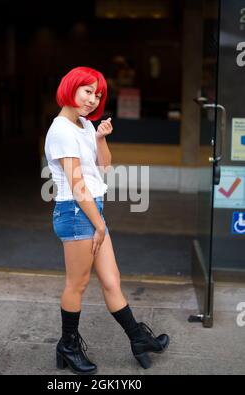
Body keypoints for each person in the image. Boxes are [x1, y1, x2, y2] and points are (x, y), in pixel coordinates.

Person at [44, 66, 169, 375]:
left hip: (91, 210)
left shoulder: (85, 125)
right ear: (70, 87)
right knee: (78, 284)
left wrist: (99, 137)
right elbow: (75, 183)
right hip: (75, 213)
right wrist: (98, 223)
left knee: (112, 281)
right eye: (87, 91)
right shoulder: (60, 129)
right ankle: (68, 346)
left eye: (97, 94)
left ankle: (138, 338)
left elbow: (105, 166)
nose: (92, 99)